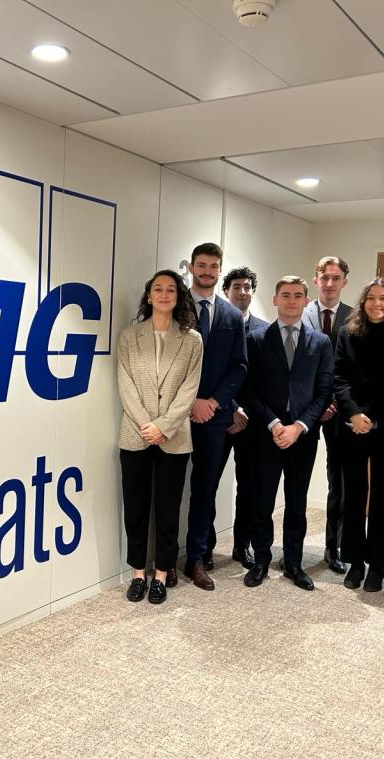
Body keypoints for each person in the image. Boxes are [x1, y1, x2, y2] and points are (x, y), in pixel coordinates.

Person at [238, 276, 334, 590]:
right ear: (275, 299)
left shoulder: (320, 342)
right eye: (285, 295)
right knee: (262, 500)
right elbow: (247, 389)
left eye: (297, 295)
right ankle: (261, 560)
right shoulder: (256, 339)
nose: (291, 301)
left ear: (306, 300)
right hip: (266, 433)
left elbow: (324, 391)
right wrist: (273, 423)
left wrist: (299, 426)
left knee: (296, 502)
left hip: (302, 436)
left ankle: (293, 562)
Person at [116, 270, 202, 605]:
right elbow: (125, 384)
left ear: (178, 297)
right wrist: (146, 425)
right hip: (135, 433)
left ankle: (162, 574)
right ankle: (139, 572)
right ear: (149, 296)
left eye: (170, 290)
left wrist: (164, 426)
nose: (164, 294)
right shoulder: (129, 336)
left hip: (175, 436)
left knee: (168, 509)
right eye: (158, 289)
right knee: (135, 508)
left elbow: (189, 390)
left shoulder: (192, 340)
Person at [333, 279, 384, 592]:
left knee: (382, 496)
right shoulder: (347, 332)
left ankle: (378, 565)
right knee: (354, 494)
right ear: (363, 301)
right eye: (371, 298)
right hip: (352, 424)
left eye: (383, 298)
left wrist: (372, 418)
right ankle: (355, 561)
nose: (377, 304)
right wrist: (354, 414)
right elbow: (339, 377)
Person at [177, 243, 247, 592]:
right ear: (191, 268)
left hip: (215, 417)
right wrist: (190, 401)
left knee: (205, 490)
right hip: (176, 414)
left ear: (220, 270)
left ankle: (196, 558)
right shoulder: (174, 308)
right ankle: (165, 560)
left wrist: (215, 402)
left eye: (213, 266)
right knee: (170, 489)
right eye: (201, 265)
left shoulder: (232, 316)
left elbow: (239, 365)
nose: (207, 271)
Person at [208, 267, 268, 570]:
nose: (242, 292)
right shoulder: (213, 324)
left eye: (247, 287)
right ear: (225, 291)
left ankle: (241, 546)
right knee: (208, 483)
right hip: (219, 416)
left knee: (249, 487)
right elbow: (209, 374)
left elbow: (265, 381)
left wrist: (247, 411)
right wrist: (232, 407)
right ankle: (205, 547)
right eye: (236, 287)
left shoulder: (265, 330)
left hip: (252, 423)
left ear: (252, 291)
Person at [302, 256, 352, 575]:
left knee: (339, 483)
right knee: (296, 482)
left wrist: (333, 401)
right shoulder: (300, 312)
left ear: (344, 281)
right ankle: (292, 548)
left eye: (336, 278)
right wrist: (317, 404)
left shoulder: (355, 317)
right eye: (325, 277)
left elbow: (354, 367)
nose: (330, 283)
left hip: (339, 411)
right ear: (316, 279)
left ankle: (334, 548)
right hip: (304, 411)